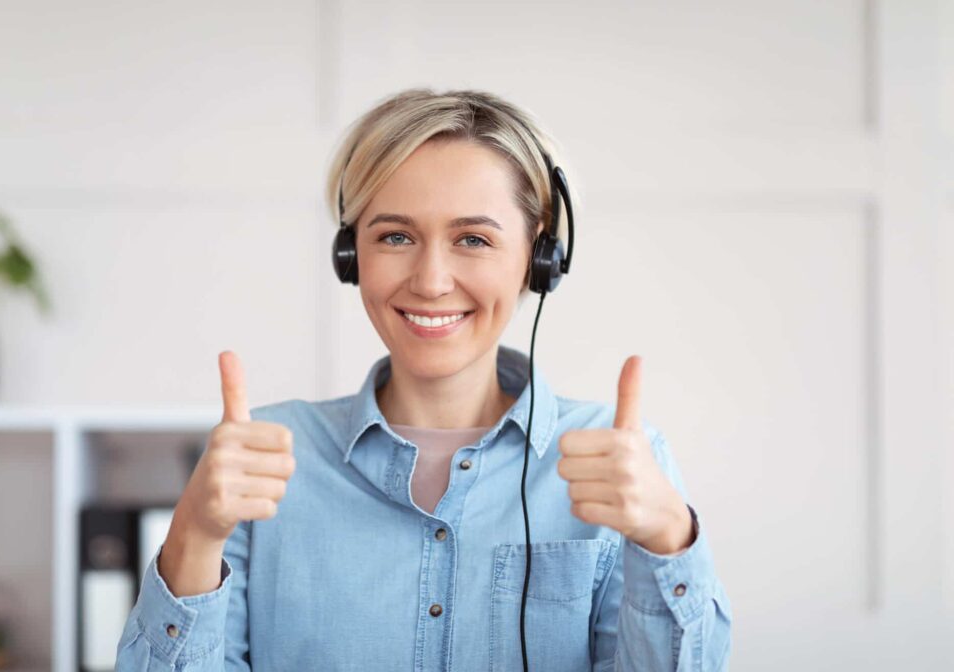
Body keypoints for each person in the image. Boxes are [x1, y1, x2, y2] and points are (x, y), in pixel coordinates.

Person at [115, 88, 732, 671]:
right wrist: (194, 533)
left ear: (541, 262)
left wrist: (667, 541)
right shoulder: (268, 452)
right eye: (396, 236)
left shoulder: (621, 461)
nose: (431, 280)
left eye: (472, 239)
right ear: (350, 255)